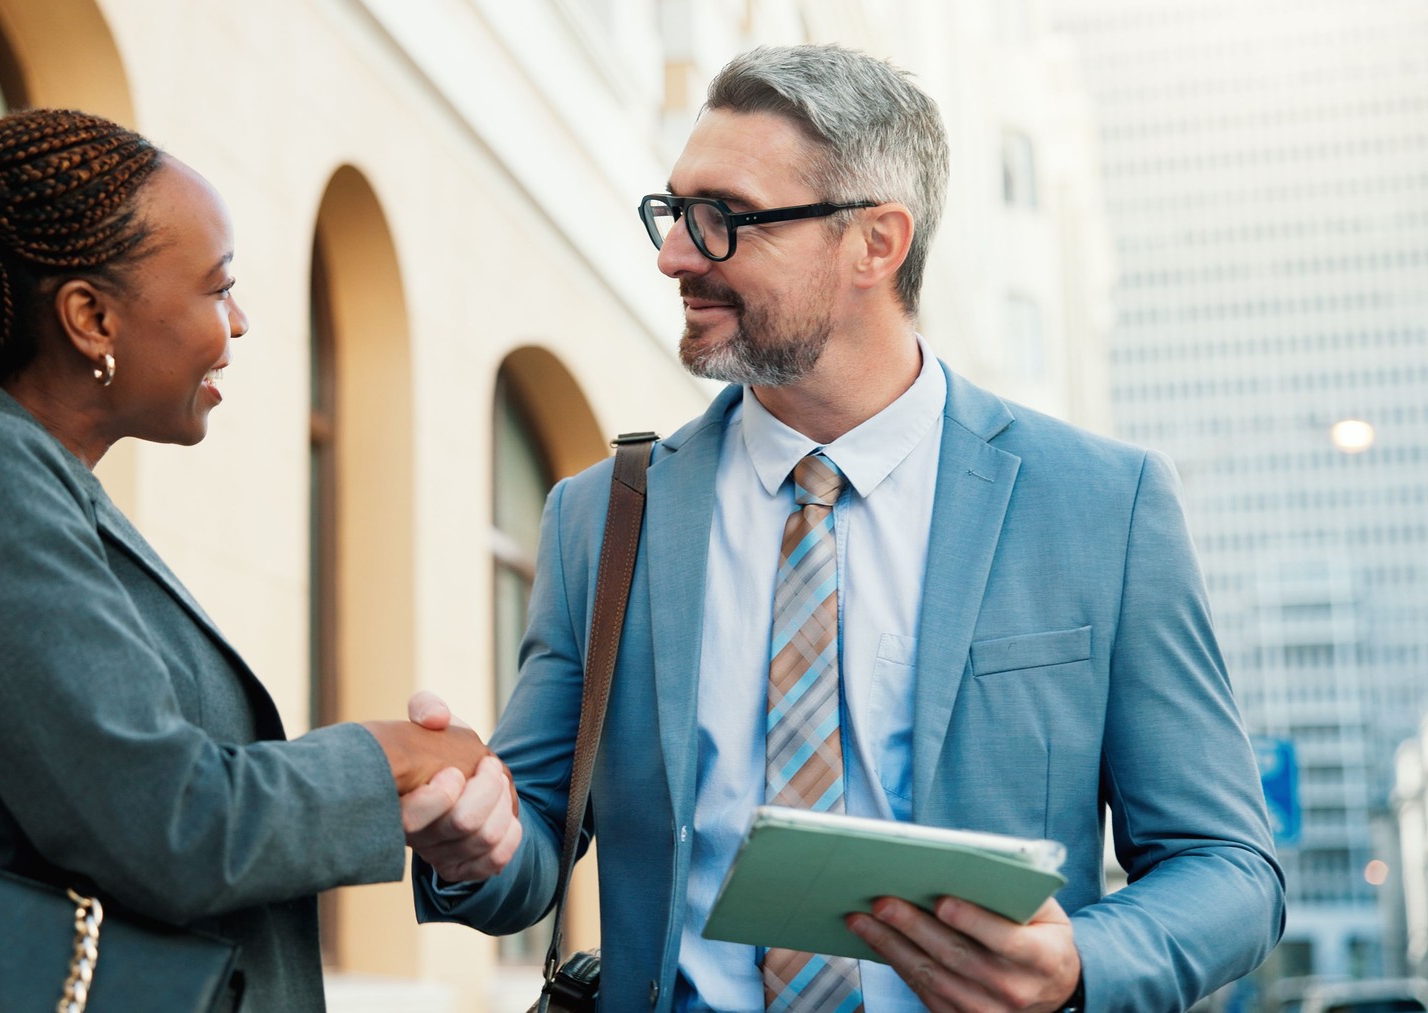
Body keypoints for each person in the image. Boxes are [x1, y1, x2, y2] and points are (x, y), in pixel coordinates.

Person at [410, 45, 1284, 1013]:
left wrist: (1082, 962)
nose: (674, 256)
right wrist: (473, 839)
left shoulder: (1103, 506)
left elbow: (1229, 865)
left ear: (876, 243)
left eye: (723, 218)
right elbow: (530, 844)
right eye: (674, 212)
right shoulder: (605, 517)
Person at [0, 108, 510, 1013]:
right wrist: (387, 758)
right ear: (92, 318)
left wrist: (400, 791)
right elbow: (166, 822)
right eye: (217, 288)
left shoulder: (25, 481)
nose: (239, 322)